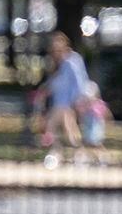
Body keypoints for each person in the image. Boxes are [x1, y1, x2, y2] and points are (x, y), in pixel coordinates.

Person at [30, 30, 92, 167]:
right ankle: (75, 155)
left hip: (68, 103)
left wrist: (79, 100)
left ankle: (57, 154)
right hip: (59, 102)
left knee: (53, 126)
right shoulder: (58, 64)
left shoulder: (72, 61)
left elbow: (79, 82)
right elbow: (55, 83)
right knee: (68, 130)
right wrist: (44, 91)